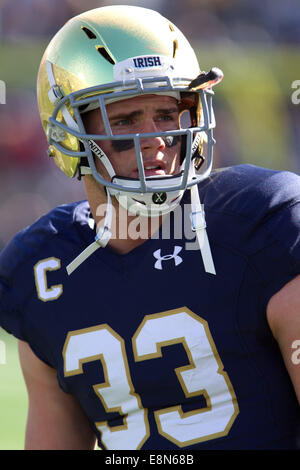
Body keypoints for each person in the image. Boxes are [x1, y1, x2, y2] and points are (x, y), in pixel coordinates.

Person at [0, 5, 299, 451]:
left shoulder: (262, 222)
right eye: (124, 121)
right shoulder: (42, 268)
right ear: (70, 135)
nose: (156, 138)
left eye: (166, 114)